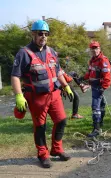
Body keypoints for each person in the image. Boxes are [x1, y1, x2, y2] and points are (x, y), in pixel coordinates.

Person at [11, 20, 73, 168]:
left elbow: (57, 71)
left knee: (62, 120)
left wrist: (66, 86)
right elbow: (15, 76)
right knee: (40, 126)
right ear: (33, 34)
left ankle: (57, 150)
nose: (43, 37)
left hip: (54, 94)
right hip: (36, 97)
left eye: (46, 34)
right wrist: (19, 95)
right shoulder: (24, 53)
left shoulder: (52, 52)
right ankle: (43, 154)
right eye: (40, 34)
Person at [81, 41, 111, 137]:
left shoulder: (103, 60)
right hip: (94, 86)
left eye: (96, 48)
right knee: (101, 105)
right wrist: (82, 77)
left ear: (99, 49)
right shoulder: (92, 61)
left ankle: (96, 129)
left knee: (95, 108)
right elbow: (90, 73)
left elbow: (107, 76)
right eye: (92, 48)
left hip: (99, 87)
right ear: (90, 50)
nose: (94, 50)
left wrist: (103, 87)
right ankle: (100, 123)